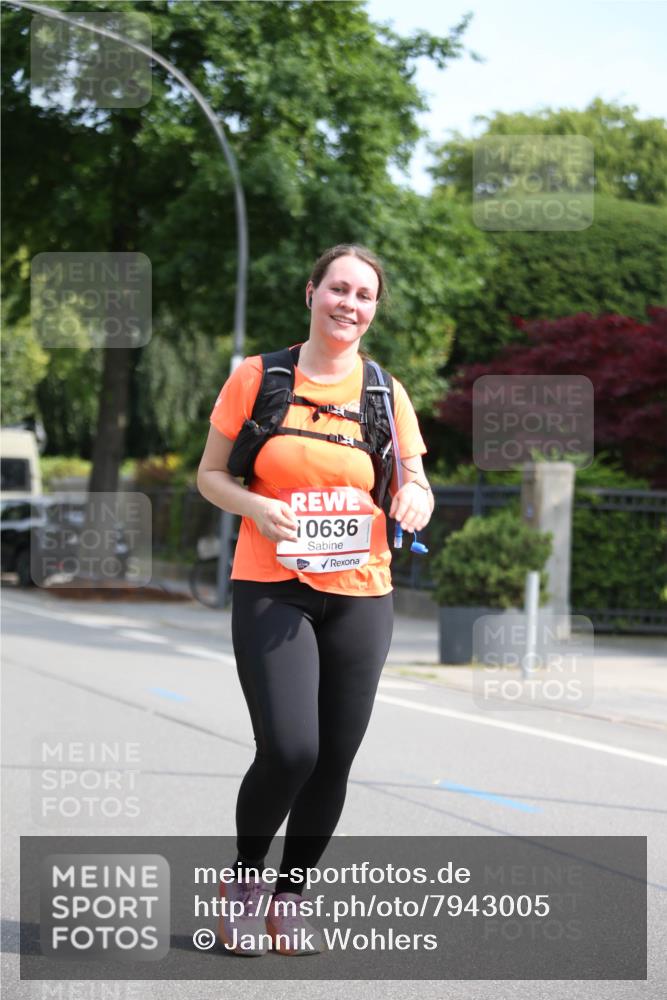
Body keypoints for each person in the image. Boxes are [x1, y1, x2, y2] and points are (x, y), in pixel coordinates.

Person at [197, 243, 434, 956]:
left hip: (362, 591)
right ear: (311, 293)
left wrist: (414, 498)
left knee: (333, 757)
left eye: (363, 295)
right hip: (274, 586)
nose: (349, 304)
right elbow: (210, 476)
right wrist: (255, 507)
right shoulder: (259, 378)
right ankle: (243, 883)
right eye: (338, 289)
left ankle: (290, 896)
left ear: (372, 309)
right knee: (290, 748)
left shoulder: (385, 393)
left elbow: (412, 479)